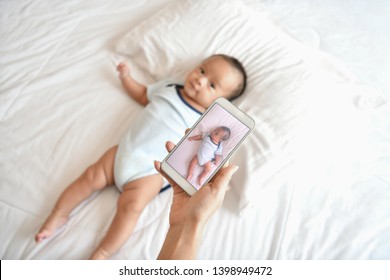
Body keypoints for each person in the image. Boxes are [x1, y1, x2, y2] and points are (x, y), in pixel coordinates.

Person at [34, 54, 247, 260]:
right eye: (202, 70)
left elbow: (207, 150)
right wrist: (127, 78)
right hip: (125, 152)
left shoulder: (207, 121)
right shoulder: (169, 87)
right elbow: (143, 95)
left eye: (212, 85)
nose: (200, 80)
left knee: (131, 208)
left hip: (151, 171)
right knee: (89, 177)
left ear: (221, 102)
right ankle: (58, 213)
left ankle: (103, 252)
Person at [154, 140, 238, 259]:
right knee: (192, 164)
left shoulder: (219, 146)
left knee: (208, 169)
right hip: (198, 156)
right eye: (216, 132)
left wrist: (218, 161)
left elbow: (219, 156)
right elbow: (199, 137)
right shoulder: (207, 137)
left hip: (207, 160)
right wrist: (193, 139)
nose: (216, 134)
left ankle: (201, 177)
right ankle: (190, 175)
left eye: (220, 135)